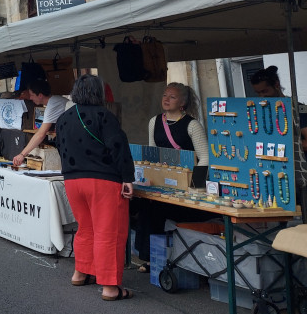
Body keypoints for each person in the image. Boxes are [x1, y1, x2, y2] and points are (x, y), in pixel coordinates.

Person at [55, 75, 135, 301]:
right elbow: (118, 148)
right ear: (99, 93)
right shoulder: (104, 115)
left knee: (86, 228)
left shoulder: (63, 118)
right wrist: (128, 177)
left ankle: (81, 272)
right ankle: (110, 287)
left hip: (72, 181)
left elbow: (60, 147)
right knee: (108, 232)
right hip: (103, 182)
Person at [134, 82, 209, 273]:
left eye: (172, 97)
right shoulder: (154, 121)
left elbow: (206, 157)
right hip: (162, 183)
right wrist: (148, 178)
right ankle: (150, 258)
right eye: (165, 95)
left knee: (161, 211)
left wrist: (196, 186)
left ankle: (166, 258)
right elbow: (152, 152)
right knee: (147, 208)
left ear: (182, 102)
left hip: (186, 185)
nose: (166, 99)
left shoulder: (192, 125)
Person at [251, 64, 307, 155]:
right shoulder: (262, 110)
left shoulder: (299, 109)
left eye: (264, 91)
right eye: (258, 93)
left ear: (276, 85)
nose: (261, 96)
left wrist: (281, 144)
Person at [11, 79, 69, 167]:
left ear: (40, 95)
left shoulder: (53, 104)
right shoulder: (54, 101)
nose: (30, 98)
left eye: (32, 95)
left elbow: (40, 134)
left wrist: (22, 154)